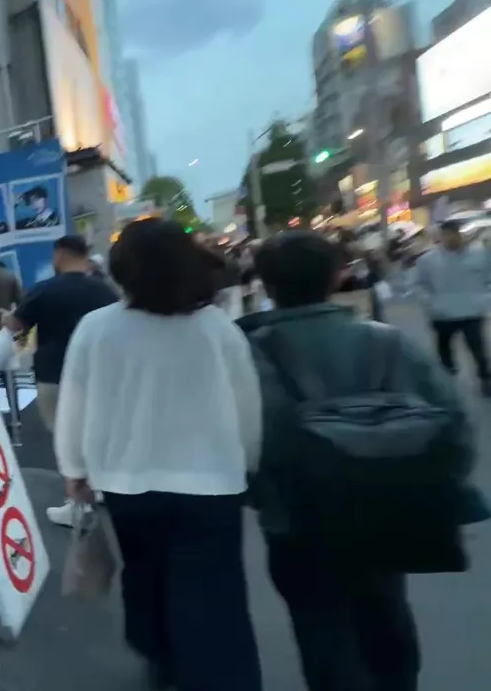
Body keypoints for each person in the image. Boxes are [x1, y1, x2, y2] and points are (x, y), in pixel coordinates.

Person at [238, 231, 483, 691]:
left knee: (320, 629)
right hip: (386, 503)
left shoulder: (247, 353)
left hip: (297, 516)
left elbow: (246, 441)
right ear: (338, 277)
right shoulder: (387, 342)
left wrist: (263, 497)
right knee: (386, 616)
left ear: (266, 286)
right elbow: (454, 423)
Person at [55, 218, 263, 691]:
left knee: (145, 575)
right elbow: (247, 406)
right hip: (212, 482)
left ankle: (159, 657)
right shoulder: (216, 327)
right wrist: (249, 462)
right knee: (215, 595)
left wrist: (74, 468)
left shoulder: (96, 328)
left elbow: (74, 402)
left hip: (126, 483)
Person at [3, 235, 117, 527]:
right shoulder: (105, 290)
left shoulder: (46, 289)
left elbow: (18, 327)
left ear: (59, 254)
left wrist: (8, 321)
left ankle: (77, 505)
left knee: (66, 439)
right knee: (96, 433)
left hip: (55, 374)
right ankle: (99, 489)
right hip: (98, 375)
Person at [415, 219, 491, 395]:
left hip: (471, 311)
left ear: (459, 234)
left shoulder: (480, 255)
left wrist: (485, 298)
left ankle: (485, 379)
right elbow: (419, 285)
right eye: (446, 235)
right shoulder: (428, 260)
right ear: (441, 237)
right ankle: (447, 377)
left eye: (453, 234)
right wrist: (430, 302)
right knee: (444, 347)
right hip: (443, 314)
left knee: (477, 346)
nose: (450, 239)